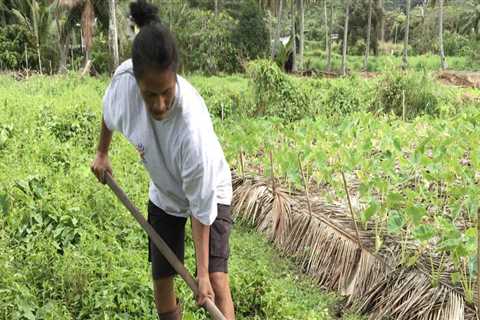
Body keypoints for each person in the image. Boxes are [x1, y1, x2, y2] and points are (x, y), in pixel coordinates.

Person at [90, 1, 235, 319]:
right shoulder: (123, 85)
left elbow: (201, 209)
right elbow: (108, 115)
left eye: (167, 92)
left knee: (217, 281)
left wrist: (202, 274)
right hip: (164, 193)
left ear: (176, 77)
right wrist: (102, 153)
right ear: (136, 82)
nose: (159, 104)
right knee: (162, 282)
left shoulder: (191, 129)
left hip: (210, 191)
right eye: (150, 94)